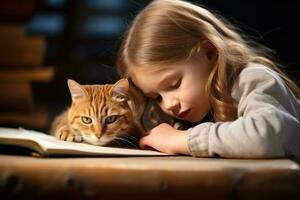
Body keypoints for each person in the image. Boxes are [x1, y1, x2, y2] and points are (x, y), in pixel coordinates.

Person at [116, 0, 300, 161]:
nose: (168, 105)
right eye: (156, 97)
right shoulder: (199, 108)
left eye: (174, 84)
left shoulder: (253, 79)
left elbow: (270, 136)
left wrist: (181, 140)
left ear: (209, 52)